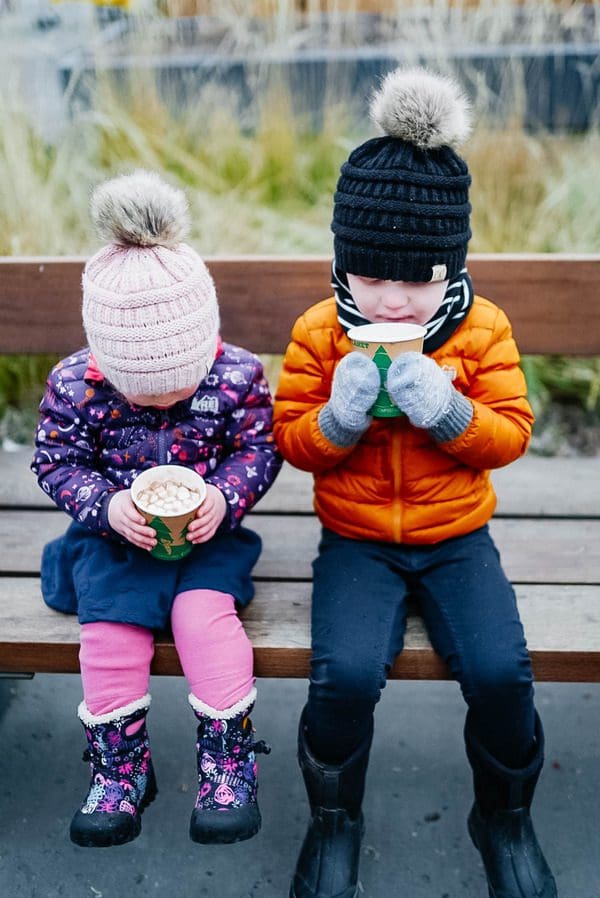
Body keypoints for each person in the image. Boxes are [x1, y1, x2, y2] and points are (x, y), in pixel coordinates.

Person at [273, 68, 557, 898]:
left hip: (458, 536)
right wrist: (338, 417)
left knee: (502, 671)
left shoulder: (484, 328)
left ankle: (504, 817)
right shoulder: (322, 332)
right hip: (357, 540)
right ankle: (334, 822)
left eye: (417, 279)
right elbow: (293, 441)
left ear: (451, 268)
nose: (393, 297)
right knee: (347, 674)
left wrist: (449, 409)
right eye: (370, 277)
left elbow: (512, 437)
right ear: (342, 262)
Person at [32, 170, 282, 849]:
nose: (164, 402)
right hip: (114, 537)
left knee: (204, 618)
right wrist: (105, 506)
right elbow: (55, 462)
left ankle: (227, 758)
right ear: (104, 360)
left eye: (180, 386)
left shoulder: (236, 375)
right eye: (143, 395)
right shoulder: (73, 385)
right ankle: (121, 767)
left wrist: (224, 496)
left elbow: (259, 447)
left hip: (209, 535)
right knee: (110, 626)